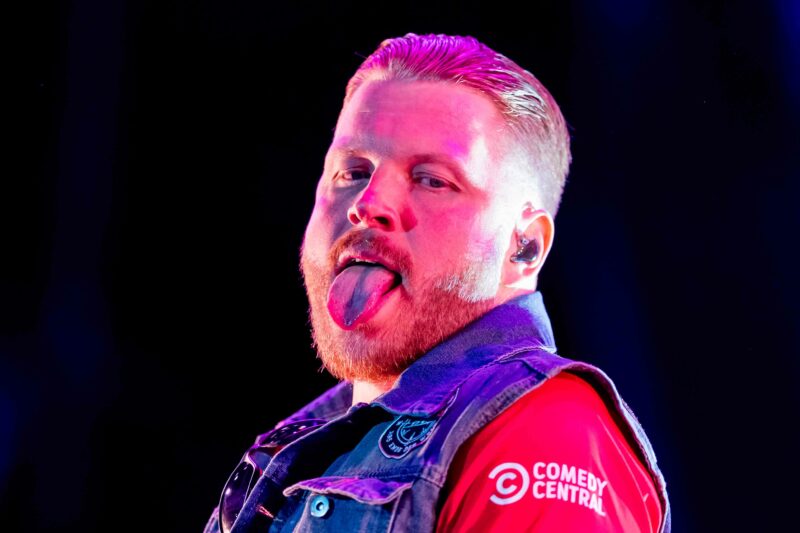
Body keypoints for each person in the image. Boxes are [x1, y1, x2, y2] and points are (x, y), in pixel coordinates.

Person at [204, 33, 670, 532]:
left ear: (525, 246)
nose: (368, 204)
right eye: (353, 172)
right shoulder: (297, 447)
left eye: (432, 180)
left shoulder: (545, 428)